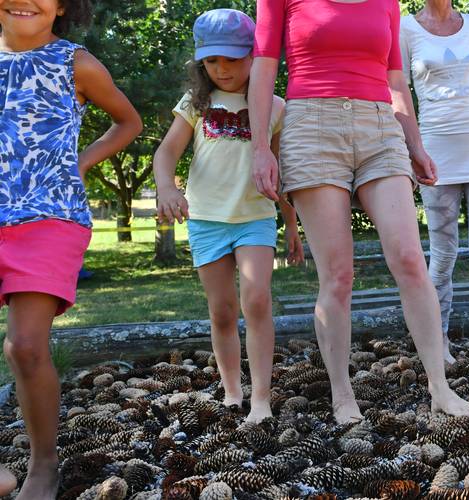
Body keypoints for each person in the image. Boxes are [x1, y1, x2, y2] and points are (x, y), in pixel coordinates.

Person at [250, 0, 469, 423]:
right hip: (312, 127)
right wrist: (260, 146)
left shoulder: (387, 1)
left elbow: (396, 81)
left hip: (379, 127)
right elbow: (263, 67)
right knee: (338, 274)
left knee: (409, 258)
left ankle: (440, 389)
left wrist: (415, 144)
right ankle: (342, 395)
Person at [0, 1, 143, 497]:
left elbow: (128, 122)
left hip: (49, 218)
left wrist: (78, 164)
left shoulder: (75, 63)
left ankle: (43, 466)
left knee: (24, 346)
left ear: (62, 5)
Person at [152, 9, 303, 424]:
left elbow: (281, 170)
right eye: (212, 61)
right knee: (221, 310)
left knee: (257, 301)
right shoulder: (195, 104)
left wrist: (292, 223)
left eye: (233, 59)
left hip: (255, 218)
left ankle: (261, 398)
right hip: (206, 221)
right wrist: (167, 188)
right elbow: (166, 153)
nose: (222, 69)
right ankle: (233, 392)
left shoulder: (274, 107)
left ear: (254, 56)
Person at [400, 0, 469, 371]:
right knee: (443, 255)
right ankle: (440, 344)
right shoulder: (404, 29)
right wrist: (411, 149)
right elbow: (399, 92)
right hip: (435, 151)